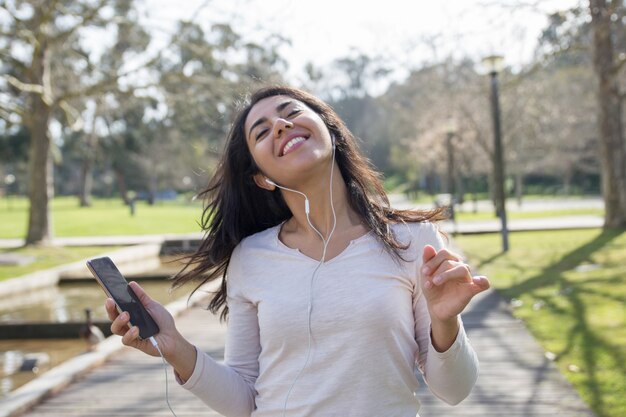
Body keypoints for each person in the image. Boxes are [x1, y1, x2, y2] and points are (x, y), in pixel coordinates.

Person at [106, 85, 491, 417]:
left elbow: (453, 390)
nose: (280, 125)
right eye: (261, 131)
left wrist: (445, 322)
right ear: (262, 177)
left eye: (291, 113)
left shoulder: (413, 240)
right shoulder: (251, 258)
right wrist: (175, 348)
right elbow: (244, 399)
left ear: (331, 131)